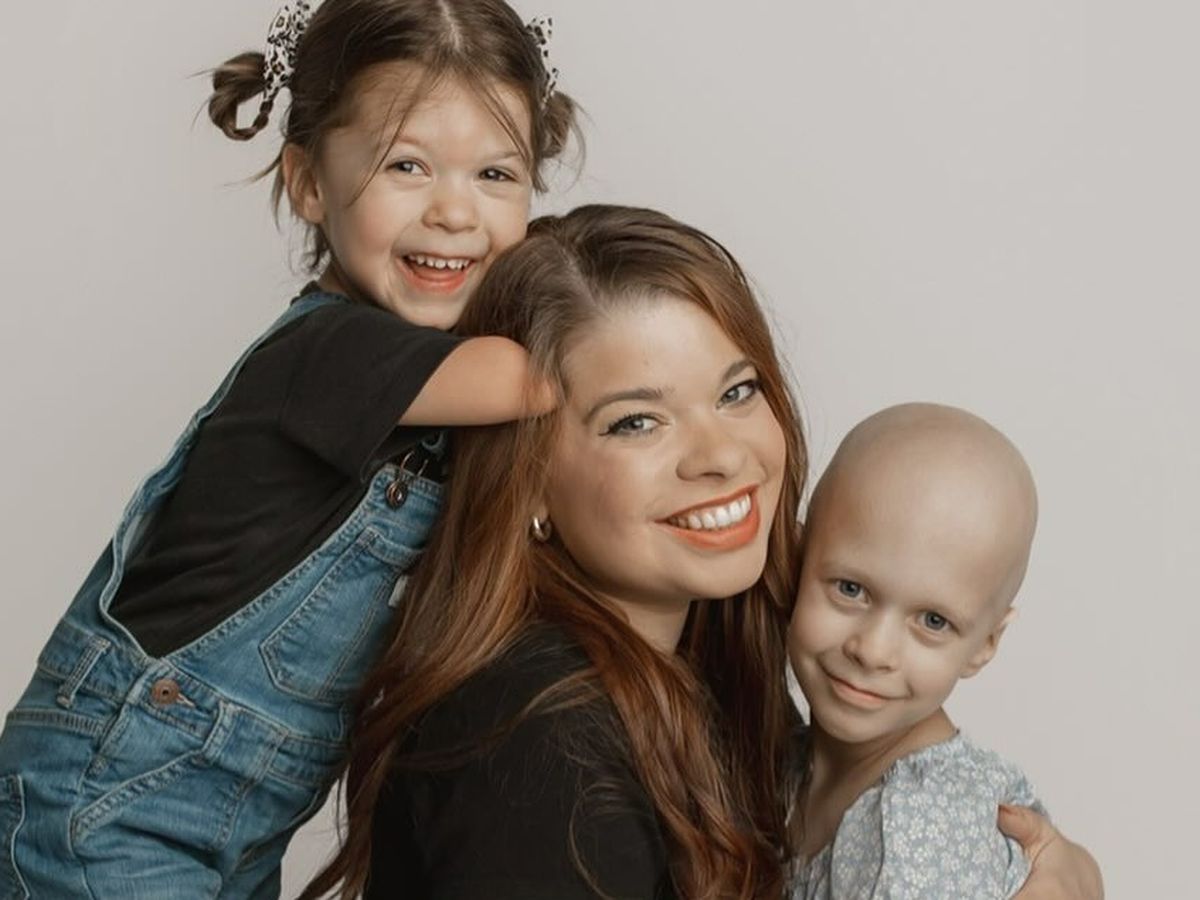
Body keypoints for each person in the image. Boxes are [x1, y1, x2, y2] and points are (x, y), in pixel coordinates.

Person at [0, 1, 578, 896]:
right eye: (406, 165)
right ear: (308, 183)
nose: (455, 211)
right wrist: (587, 279)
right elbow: (538, 378)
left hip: (228, 814)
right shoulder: (330, 351)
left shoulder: (420, 371)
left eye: (497, 174)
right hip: (114, 795)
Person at [302, 204, 809, 900]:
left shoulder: (707, 671)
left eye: (737, 391)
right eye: (637, 422)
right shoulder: (536, 735)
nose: (721, 455)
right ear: (530, 480)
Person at [788, 403, 1079, 898]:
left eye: (933, 621)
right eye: (851, 589)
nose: (873, 651)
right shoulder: (788, 758)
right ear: (795, 559)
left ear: (985, 644)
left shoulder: (920, 833)